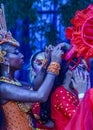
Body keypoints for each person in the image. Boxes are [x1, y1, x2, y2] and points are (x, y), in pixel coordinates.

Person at [0, 4, 63, 130]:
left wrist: (46, 63)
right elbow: (40, 95)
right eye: (16, 53)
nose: (22, 55)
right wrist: (54, 65)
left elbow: (34, 87)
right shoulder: (4, 88)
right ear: (5, 59)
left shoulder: (14, 83)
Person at [50, 57, 90, 130]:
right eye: (82, 69)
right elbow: (81, 119)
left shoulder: (76, 91)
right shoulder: (60, 93)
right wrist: (82, 94)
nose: (86, 75)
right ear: (70, 70)